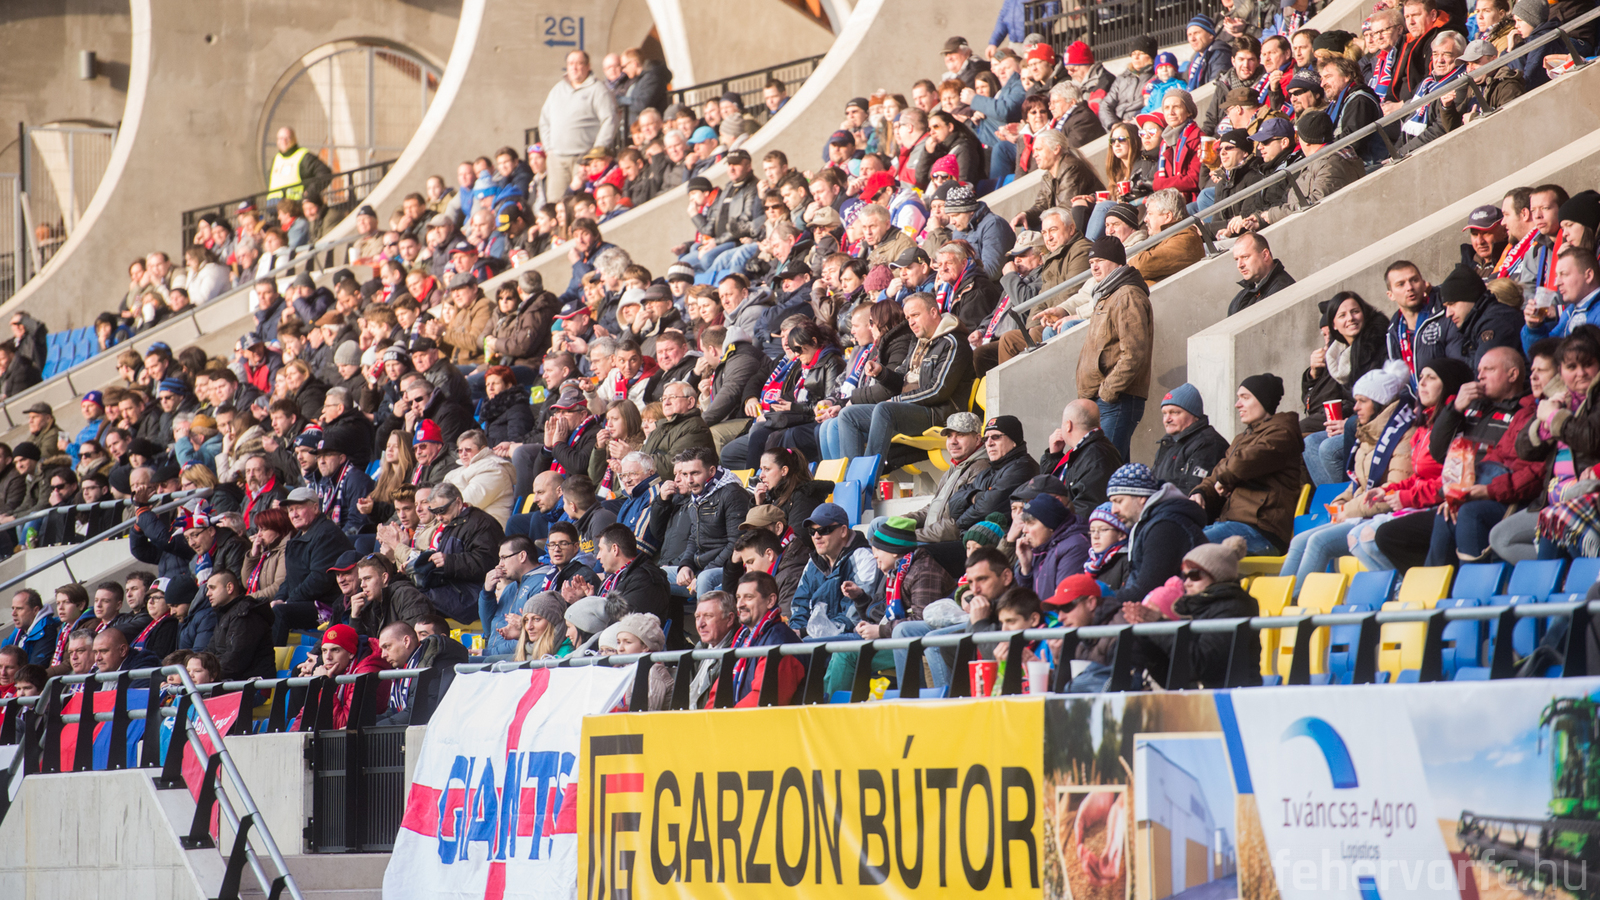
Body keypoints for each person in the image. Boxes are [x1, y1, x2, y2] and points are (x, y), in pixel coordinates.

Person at [1280, 361, 1418, 589]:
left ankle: (1295, 601)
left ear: (1380, 403)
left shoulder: (1403, 435)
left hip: (1385, 517)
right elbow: (1359, 484)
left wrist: (1348, 510)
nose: (1355, 408)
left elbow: (1392, 492)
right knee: (1298, 541)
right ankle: (1281, 600)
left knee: (1318, 542)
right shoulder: (1369, 433)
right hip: (1362, 513)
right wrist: (1341, 501)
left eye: (1362, 401)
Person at [836, 293, 974, 468]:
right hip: (914, 408)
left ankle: (866, 478)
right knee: (848, 415)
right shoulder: (918, 341)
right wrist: (881, 373)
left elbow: (938, 390)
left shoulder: (952, 342)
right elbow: (901, 377)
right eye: (908, 318)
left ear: (933, 312)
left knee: (884, 410)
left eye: (915, 315)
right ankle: (851, 478)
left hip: (938, 413)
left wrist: (898, 400)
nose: (911, 322)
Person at [1192, 374, 1306, 555]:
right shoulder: (1242, 438)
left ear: (1264, 401)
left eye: (1245, 398)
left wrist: (1224, 479)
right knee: (1173, 538)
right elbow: (1219, 473)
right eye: (1238, 398)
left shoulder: (1282, 432)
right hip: (1231, 524)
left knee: (1184, 544)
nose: (1237, 404)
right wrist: (1201, 493)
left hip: (1261, 530)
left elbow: (1240, 464)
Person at [1130, 536, 1261, 688]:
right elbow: (1170, 678)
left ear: (1218, 575)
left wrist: (1160, 627)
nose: (1187, 583)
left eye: (1194, 575)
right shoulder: (1194, 608)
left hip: (1234, 699)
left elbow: (1201, 665)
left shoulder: (1234, 608)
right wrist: (1147, 637)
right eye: (1184, 576)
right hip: (1204, 698)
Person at [1075, 237, 1153, 462]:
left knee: (1104, 466)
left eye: (1100, 261)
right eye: (1091, 263)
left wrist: (1108, 391)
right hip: (1105, 401)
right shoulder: (1108, 294)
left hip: (1116, 400)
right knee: (1112, 468)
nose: (1094, 267)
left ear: (1118, 262)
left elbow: (1134, 353)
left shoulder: (1127, 294)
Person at [1101, 463, 1209, 614]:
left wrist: (1098, 603)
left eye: (1119, 501)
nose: (1114, 510)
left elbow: (1146, 590)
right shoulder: (1152, 524)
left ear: (1141, 497)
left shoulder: (1165, 527)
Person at [658, 447, 749, 596]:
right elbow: (694, 538)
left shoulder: (732, 494)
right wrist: (685, 565)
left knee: (705, 579)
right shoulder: (698, 495)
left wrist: (703, 573)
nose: (689, 480)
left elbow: (736, 544)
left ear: (711, 471)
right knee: (653, 575)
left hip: (725, 570)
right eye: (685, 474)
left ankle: (704, 612)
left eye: (695, 473)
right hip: (700, 567)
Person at [704, 571, 803, 708]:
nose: (739, 604)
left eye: (748, 597)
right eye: (738, 598)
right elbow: (719, 691)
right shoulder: (741, 638)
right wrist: (708, 716)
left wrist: (725, 718)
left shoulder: (781, 641)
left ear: (770, 601)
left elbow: (763, 700)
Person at [272, 486, 355, 645]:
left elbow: (319, 580)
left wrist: (288, 602)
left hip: (327, 607)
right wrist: (279, 598)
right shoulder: (299, 538)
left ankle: (273, 660)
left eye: (298, 508)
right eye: (290, 510)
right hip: (304, 602)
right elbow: (290, 578)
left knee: (280, 613)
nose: (294, 514)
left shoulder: (326, 533)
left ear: (316, 508)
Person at [411, 481, 505, 622]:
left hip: (473, 595)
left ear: (458, 503)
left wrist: (449, 561)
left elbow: (488, 563)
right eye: (434, 512)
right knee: (400, 590)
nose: (439, 517)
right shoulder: (453, 523)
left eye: (442, 510)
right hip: (455, 589)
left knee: (414, 599)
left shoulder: (482, 524)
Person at [790, 502, 880, 638]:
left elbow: (853, 618)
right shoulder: (813, 562)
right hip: (814, 637)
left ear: (843, 531)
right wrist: (796, 632)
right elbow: (799, 606)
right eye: (812, 531)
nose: (816, 536)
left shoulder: (864, 558)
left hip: (852, 637)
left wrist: (805, 633)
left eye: (823, 530)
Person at [538, 50, 618, 198]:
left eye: (579, 63)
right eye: (570, 64)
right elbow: (544, 121)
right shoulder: (557, 90)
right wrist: (549, 149)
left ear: (588, 66)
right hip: (557, 159)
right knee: (556, 204)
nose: (574, 68)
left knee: (580, 201)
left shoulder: (598, 89)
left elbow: (610, 120)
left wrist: (596, 152)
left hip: (584, 158)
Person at [903, 412, 992, 542]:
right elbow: (935, 507)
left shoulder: (981, 468)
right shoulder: (955, 466)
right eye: (949, 436)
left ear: (978, 439)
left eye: (960, 435)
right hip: (930, 535)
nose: (953, 442)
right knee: (880, 524)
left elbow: (958, 525)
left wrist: (913, 535)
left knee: (885, 537)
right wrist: (906, 520)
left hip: (945, 543)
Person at [948, 414, 1040, 530]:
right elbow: (953, 506)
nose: (989, 443)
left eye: (996, 437)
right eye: (986, 439)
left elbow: (989, 508)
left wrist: (960, 522)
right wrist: (975, 497)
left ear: (1014, 441)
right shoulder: (986, 472)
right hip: (975, 536)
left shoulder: (1023, 467)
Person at [294, 624, 390, 729]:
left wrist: (325, 688)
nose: (328, 657)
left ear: (351, 653)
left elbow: (344, 725)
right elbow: (305, 715)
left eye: (335, 650)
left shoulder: (366, 673)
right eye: (324, 650)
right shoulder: (335, 669)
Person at [1038, 400, 1123, 517]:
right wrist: (1054, 456)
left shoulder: (1096, 456)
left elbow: (1086, 509)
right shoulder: (1084, 450)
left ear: (1068, 425)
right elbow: (1047, 488)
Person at [375, 620, 469, 726]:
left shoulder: (434, 664)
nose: (383, 655)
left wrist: (373, 728)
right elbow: (392, 712)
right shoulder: (403, 668)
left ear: (406, 641)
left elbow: (416, 714)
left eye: (387, 647)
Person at [1151, 384, 1231, 496]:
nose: (1167, 419)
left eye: (1175, 412)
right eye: (1164, 414)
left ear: (1194, 415)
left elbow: (1192, 491)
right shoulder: (1169, 443)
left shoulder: (1208, 443)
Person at [203, 572, 275, 681]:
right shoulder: (225, 614)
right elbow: (210, 652)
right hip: (233, 681)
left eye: (212, 588)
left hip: (251, 685)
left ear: (229, 588)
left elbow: (235, 661)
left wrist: (207, 676)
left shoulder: (245, 614)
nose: (208, 594)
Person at [687, 591, 737, 709]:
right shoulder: (700, 648)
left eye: (708, 616)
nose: (700, 624)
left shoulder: (736, 653)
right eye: (697, 617)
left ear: (729, 619)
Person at [1226, 233, 1297, 316]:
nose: (1239, 265)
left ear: (1265, 255)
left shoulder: (1282, 290)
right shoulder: (1241, 297)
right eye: (1237, 259)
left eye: (1245, 257)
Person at [5, 589, 58, 665]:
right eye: (13, 608)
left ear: (35, 610)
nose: (13, 613)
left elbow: (35, 668)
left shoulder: (46, 631)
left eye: (19, 609)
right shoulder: (18, 631)